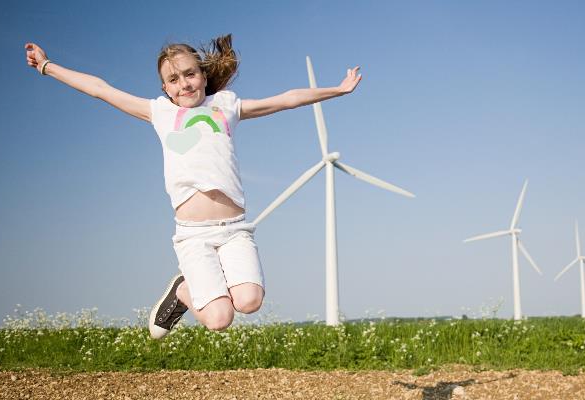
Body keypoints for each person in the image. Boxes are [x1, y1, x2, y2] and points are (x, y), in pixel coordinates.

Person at [25, 34, 361, 339]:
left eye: (189, 74)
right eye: (173, 79)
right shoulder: (158, 113)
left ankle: (194, 289)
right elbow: (100, 88)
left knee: (250, 301)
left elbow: (286, 99)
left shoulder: (226, 105)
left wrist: (337, 90)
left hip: (235, 229)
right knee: (219, 319)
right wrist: (46, 66)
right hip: (193, 235)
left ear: (202, 75)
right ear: (165, 88)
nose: (184, 84)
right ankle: (184, 292)